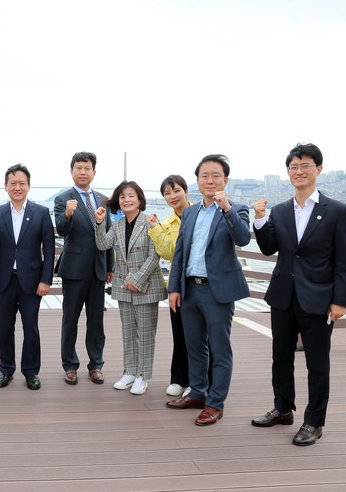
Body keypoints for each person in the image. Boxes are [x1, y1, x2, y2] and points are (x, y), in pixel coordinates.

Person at [251, 143, 346, 446]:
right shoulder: (281, 210)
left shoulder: (337, 211)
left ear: (318, 169)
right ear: (288, 172)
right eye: (293, 167)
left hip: (319, 298)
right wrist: (260, 219)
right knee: (280, 357)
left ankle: (314, 422)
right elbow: (269, 247)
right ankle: (283, 409)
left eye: (305, 165)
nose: (299, 171)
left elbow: (344, 261)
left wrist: (340, 301)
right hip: (283, 296)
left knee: (317, 364)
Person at [165, 154, 251, 426]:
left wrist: (227, 209)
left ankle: (215, 403)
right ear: (197, 180)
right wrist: (174, 288)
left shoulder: (237, 209)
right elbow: (180, 252)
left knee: (219, 349)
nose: (210, 180)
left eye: (216, 175)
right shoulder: (190, 212)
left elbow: (243, 238)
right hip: (189, 289)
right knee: (193, 347)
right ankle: (198, 393)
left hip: (217, 292)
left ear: (225, 180)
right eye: (205, 176)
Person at [0, 164, 55, 391]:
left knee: (30, 328)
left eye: (22, 183)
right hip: (4, 279)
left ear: (29, 186)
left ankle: (31, 372)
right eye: (13, 183)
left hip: (32, 281)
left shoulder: (41, 212)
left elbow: (49, 250)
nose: (17, 187)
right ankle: (6, 369)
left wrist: (46, 280)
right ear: (5, 186)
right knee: (5, 328)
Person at [95, 181, 167, 395]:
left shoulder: (150, 221)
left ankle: (143, 376)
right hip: (123, 286)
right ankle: (129, 372)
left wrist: (137, 280)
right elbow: (102, 244)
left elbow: (155, 255)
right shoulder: (117, 225)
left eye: (131, 196)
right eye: (122, 197)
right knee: (128, 332)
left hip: (146, 286)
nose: (126, 200)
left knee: (145, 333)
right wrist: (99, 223)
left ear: (140, 199)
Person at [54, 152, 114, 385]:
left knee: (96, 321)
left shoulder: (103, 200)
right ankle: (70, 366)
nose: (82, 172)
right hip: (74, 269)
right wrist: (68, 214)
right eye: (78, 168)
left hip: (98, 268)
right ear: (71, 171)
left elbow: (108, 233)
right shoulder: (63, 199)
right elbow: (61, 230)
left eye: (87, 168)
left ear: (94, 172)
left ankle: (96, 365)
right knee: (70, 319)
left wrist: (110, 265)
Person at [147, 175, 207, 397]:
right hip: (178, 285)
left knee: (202, 337)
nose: (172, 196)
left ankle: (199, 381)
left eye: (176, 190)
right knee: (180, 334)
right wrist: (155, 228)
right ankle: (179, 379)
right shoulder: (166, 224)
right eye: (167, 193)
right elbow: (168, 252)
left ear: (186, 191)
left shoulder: (202, 214)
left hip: (202, 282)